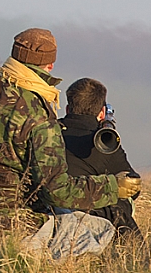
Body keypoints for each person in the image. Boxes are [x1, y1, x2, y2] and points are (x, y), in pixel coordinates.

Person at [0, 28, 141, 246]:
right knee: (100, 231)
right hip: (8, 226)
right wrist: (113, 187)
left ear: (14, 57)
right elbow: (57, 191)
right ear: (50, 65)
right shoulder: (40, 117)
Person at [60, 78, 142, 238]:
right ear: (102, 113)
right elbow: (133, 187)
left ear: (68, 109)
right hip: (92, 220)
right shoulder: (104, 143)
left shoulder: (49, 132)